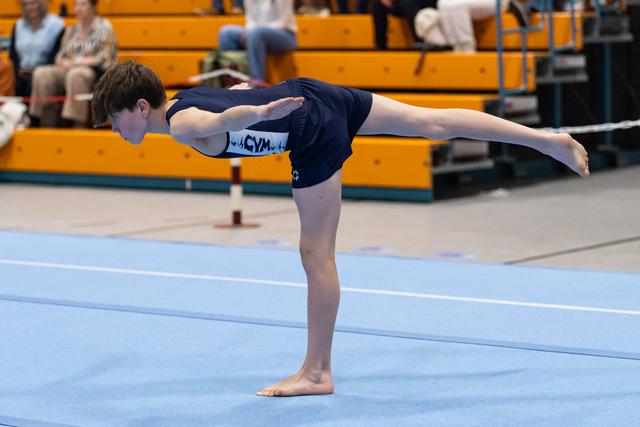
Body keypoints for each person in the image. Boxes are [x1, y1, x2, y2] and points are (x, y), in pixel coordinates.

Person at [92, 61, 590, 397]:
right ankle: (544, 141)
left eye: (115, 120)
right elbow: (225, 101)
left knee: (316, 255)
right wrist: (253, 99)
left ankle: (316, 372)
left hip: (308, 127)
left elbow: (226, 113)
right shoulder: (184, 100)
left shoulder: (180, 123)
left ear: (139, 107)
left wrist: (260, 111)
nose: (115, 131)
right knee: (430, 122)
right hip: (314, 93)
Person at [29, 0, 117, 128]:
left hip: (94, 71)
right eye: (76, 4)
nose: (79, 8)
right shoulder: (71, 29)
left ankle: (77, 124)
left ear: (93, 6)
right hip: (69, 68)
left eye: (83, 4)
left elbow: (106, 57)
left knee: (76, 75)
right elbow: (59, 56)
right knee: (42, 73)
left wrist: (79, 61)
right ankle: (46, 121)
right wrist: (69, 62)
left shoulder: (104, 27)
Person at [217, 0, 297, 82]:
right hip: (255, 34)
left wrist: (255, 33)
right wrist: (249, 33)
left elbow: (283, 22)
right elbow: (250, 20)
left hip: (285, 35)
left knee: (256, 33)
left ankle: (257, 83)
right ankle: (231, 80)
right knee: (226, 33)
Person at [9, 0, 65, 99]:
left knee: (37, 80)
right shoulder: (18, 25)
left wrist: (36, 72)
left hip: (45, 72)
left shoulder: (56, 24)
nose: (30, 7)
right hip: (21, 74)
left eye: (34, 3)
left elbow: (57, 53)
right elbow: (13, 55)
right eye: (26, 4)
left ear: (42, 3)